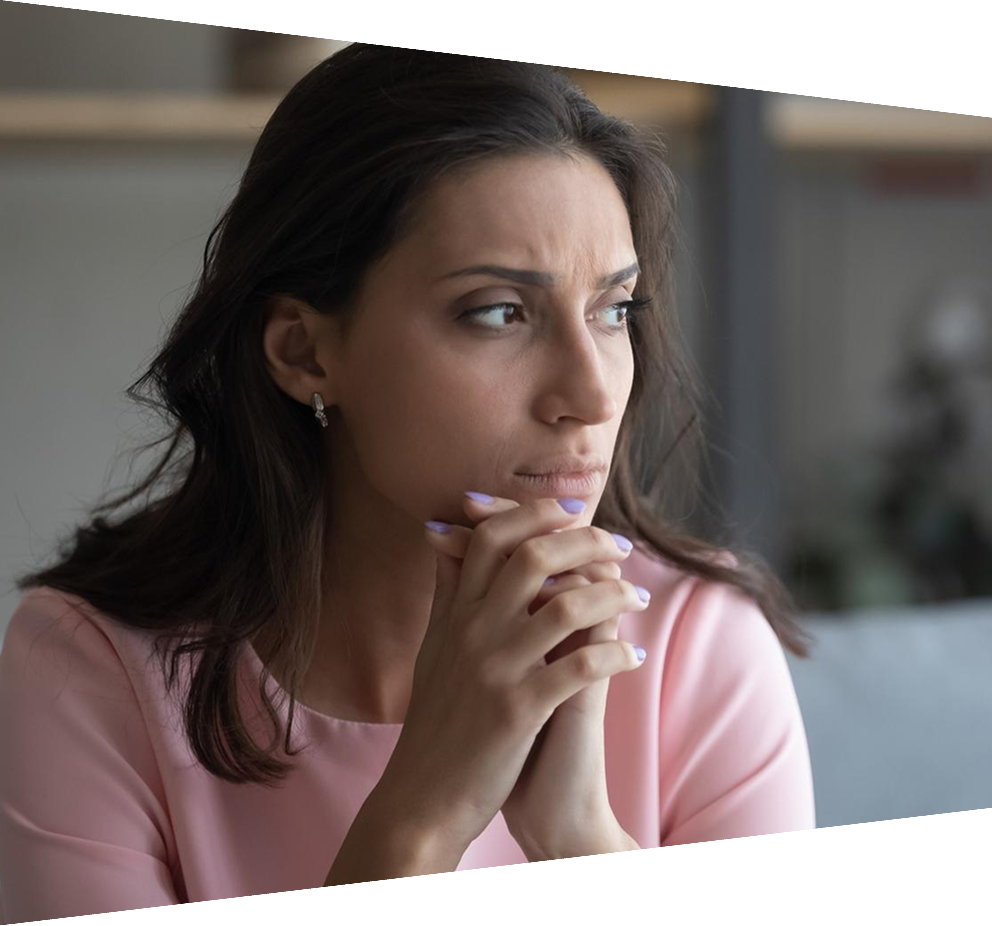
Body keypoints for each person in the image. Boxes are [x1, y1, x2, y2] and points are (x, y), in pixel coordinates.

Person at [0, 42, 815, 924]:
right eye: (500, 312)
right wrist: (422, 818)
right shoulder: (92, 669)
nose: (589, 393)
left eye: (613, 311)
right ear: (304, 351)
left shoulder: (700, 649)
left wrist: (582, 845)